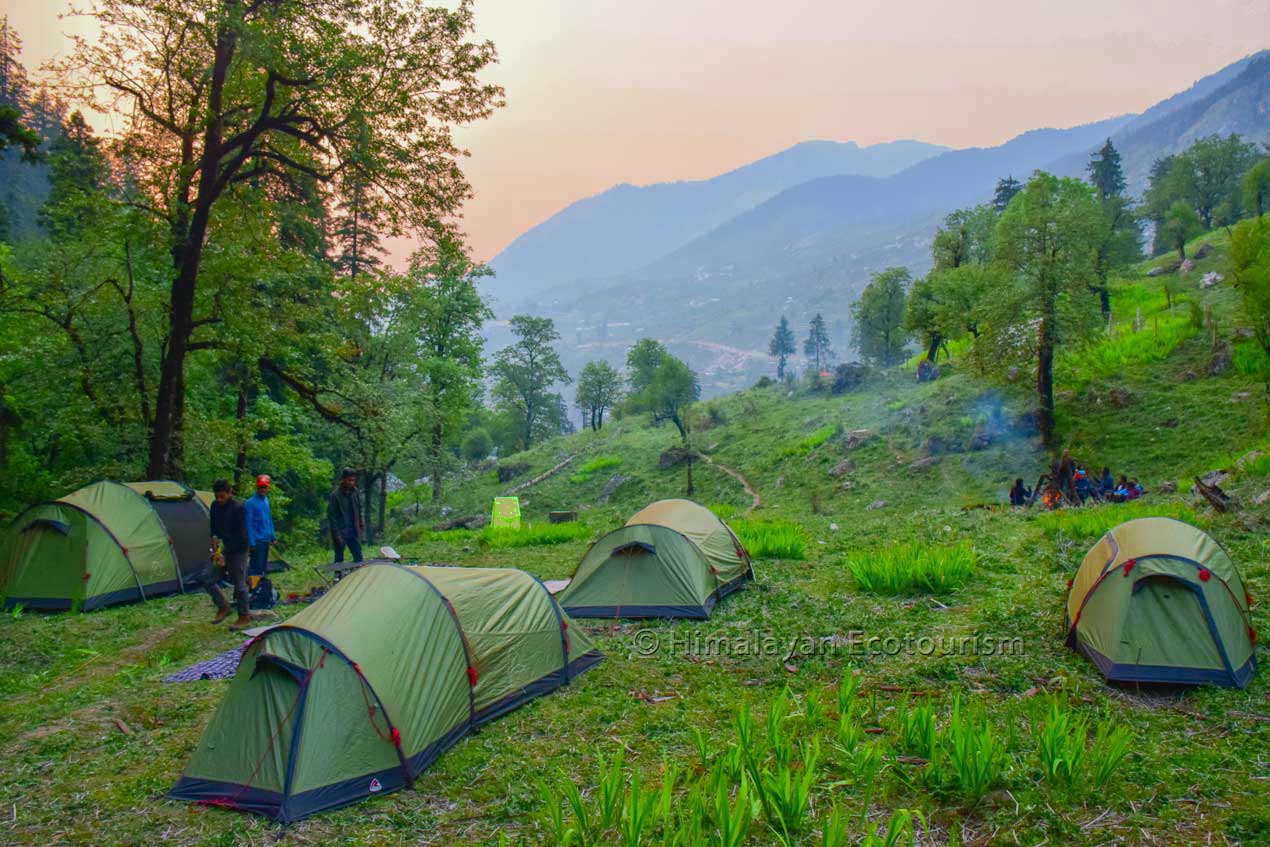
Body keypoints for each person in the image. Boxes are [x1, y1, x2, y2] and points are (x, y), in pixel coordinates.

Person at [205, 479, 250, 628]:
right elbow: (213, 531)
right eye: (217, 496)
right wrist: (215, 551)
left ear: (230, 493)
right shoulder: (215, 506)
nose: (219, 500)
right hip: (224, 549)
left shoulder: (238, 509)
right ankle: (224, 606)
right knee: (208, 580)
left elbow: (242, 537)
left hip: (239, 550)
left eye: (222, 496)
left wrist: (227, 553)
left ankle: (244, 616)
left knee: (239, 585)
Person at [328, 468, 365, 565]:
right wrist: (337, 535)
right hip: (341, 531)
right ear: (343, 479)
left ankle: (359, 577)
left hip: (353, 529)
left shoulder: (355, 492)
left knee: (358, 557)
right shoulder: (335, 496)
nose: (351, 483)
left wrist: (361, 524)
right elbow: (332, 517)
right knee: (339, 558)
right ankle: (338, 579)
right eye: (349, 480)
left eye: (353, 480)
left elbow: (359, 509)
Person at [244, 474, 277, 577]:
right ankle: (252, 588)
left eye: (264, 487)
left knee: (263, 566)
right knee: (255, 567)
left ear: (268, 488)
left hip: (266, 538)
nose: (262, 489)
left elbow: (269, 519)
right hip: (257, 540)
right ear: (257, 487)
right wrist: (252, 542)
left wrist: (273, 536)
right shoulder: (250, 503)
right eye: (260, 487)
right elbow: (248, 524)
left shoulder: (266, 501)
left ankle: (261, 587)